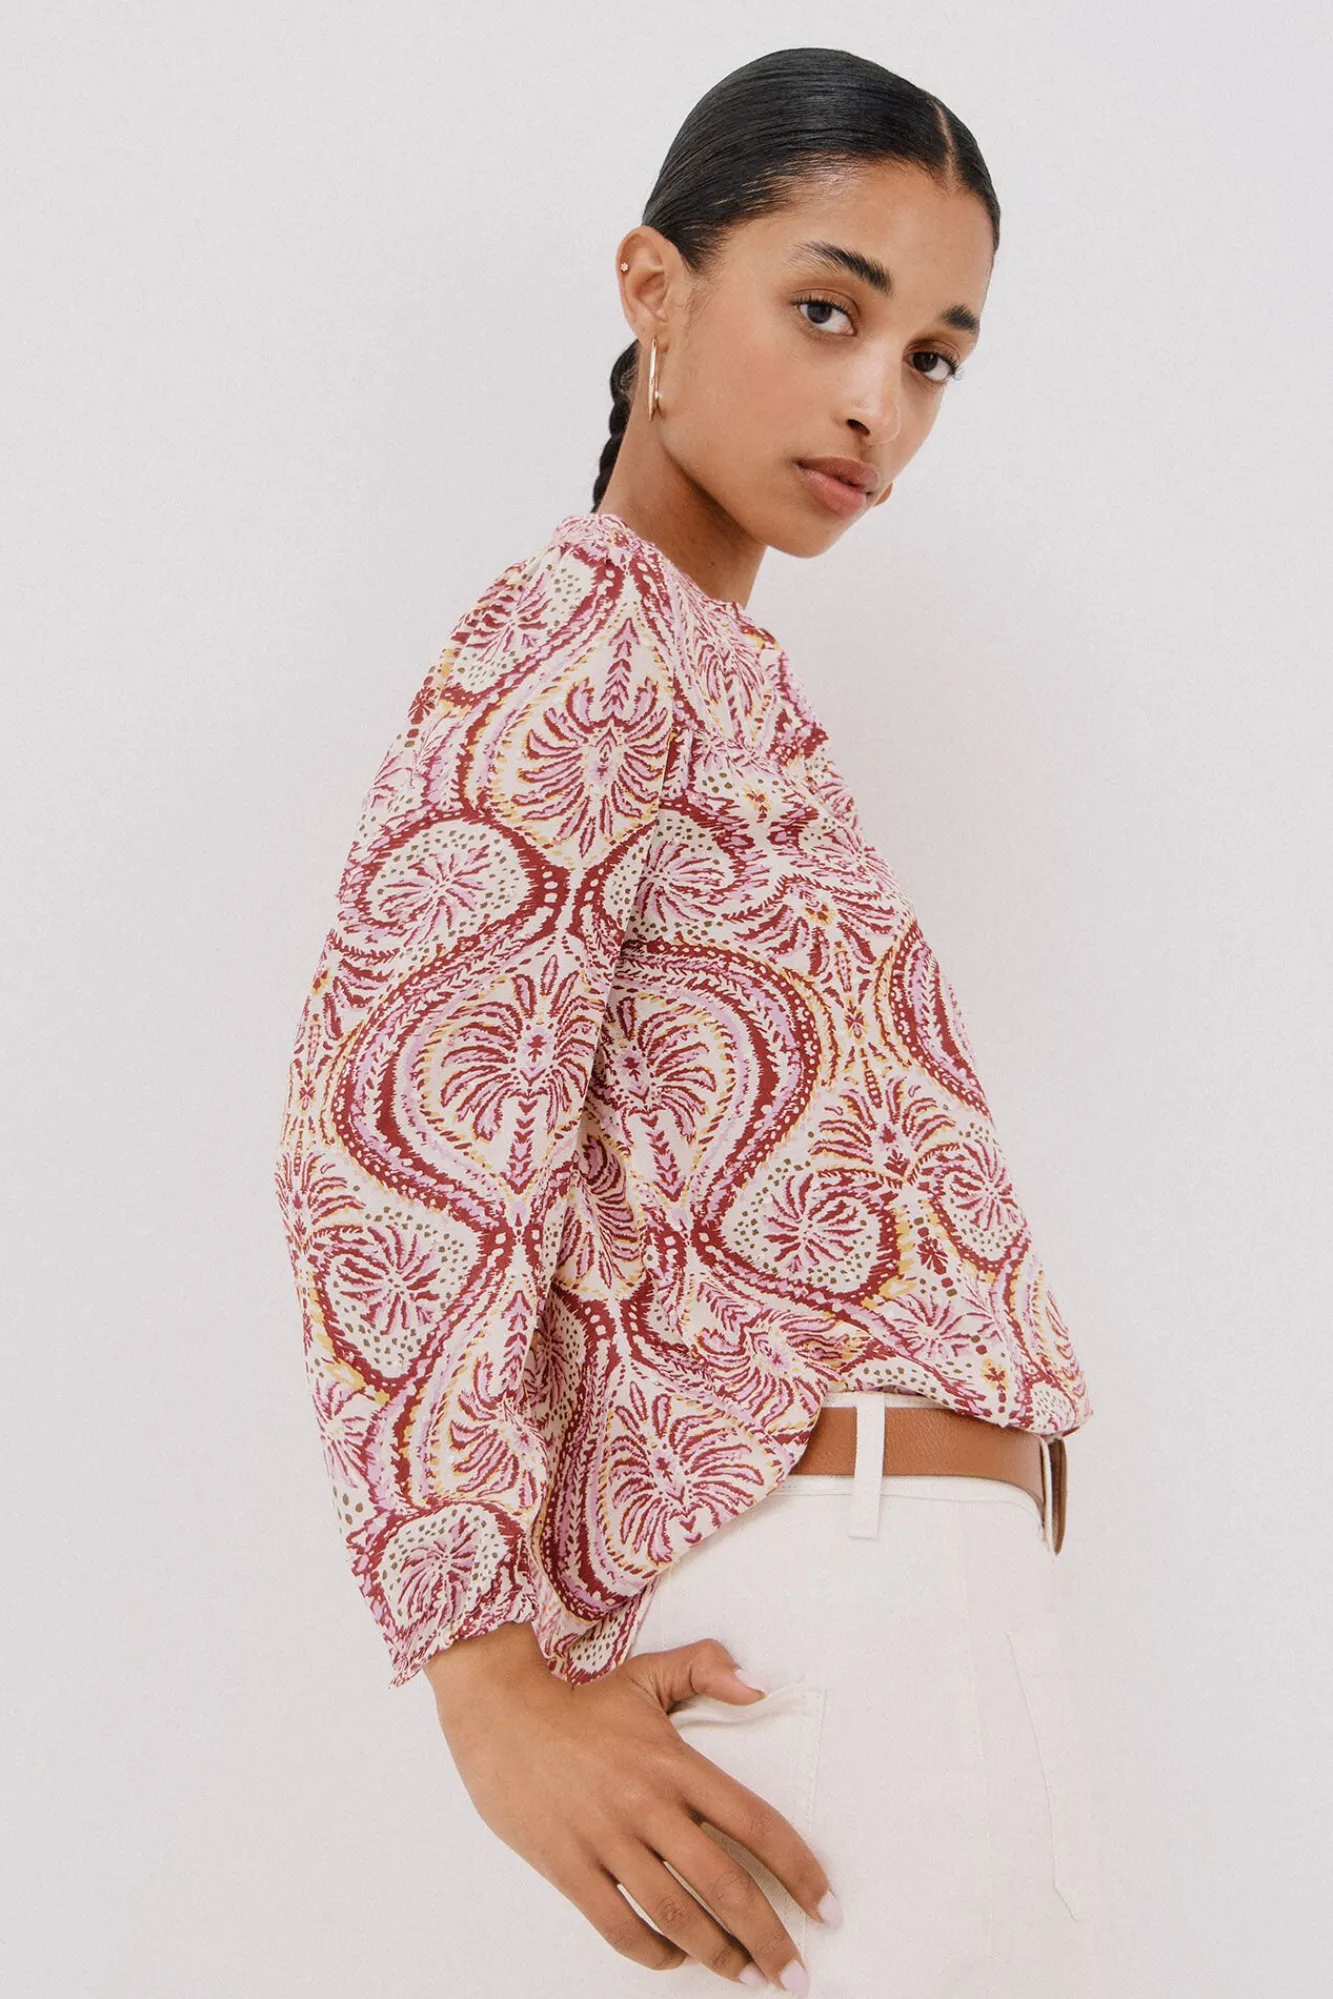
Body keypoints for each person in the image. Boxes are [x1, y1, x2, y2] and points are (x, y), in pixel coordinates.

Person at [273, 45, 1106, 1998]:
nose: (878, 402)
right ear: (654, 288)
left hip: (926, 1628)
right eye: (828, 310)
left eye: (933, 357)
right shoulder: (577, 635)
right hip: (827, 1619)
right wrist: (483, 1677)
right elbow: (388, 1123)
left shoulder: (716, 679)